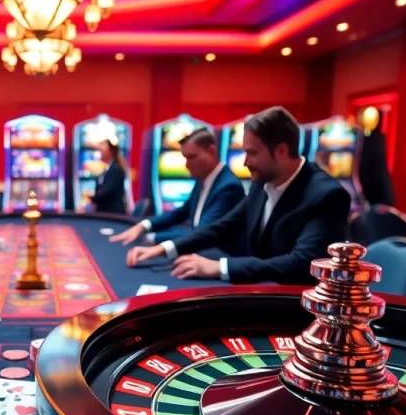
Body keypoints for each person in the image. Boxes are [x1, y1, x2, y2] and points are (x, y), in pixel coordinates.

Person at [126, 107, 350, 285]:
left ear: (281, 151)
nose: (245, 162)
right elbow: (224, 226)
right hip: (263, 289)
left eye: (252, 153)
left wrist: (220, 267)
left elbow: (301, 263)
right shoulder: (262, 182)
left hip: (299, 309)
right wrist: (164, 249)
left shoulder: (327, 195)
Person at [110, 128, 246, 254]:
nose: (187, 165)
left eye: (192, 157)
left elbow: (201, 232)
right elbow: (181, 213)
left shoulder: (228, 187)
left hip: (219, 258)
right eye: (185, 158)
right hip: (199, 252)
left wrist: (152, 239)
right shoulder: (203, 178)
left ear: (211, 151)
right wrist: (144, 226)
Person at [89, 139, 128, 215]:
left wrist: (91, 200)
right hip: (107, 212)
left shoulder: (116, 169)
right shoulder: (109, 168)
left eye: (101, 151)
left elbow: (107, 192)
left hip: (113, 214)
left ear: (109, 151)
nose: (98, 154)